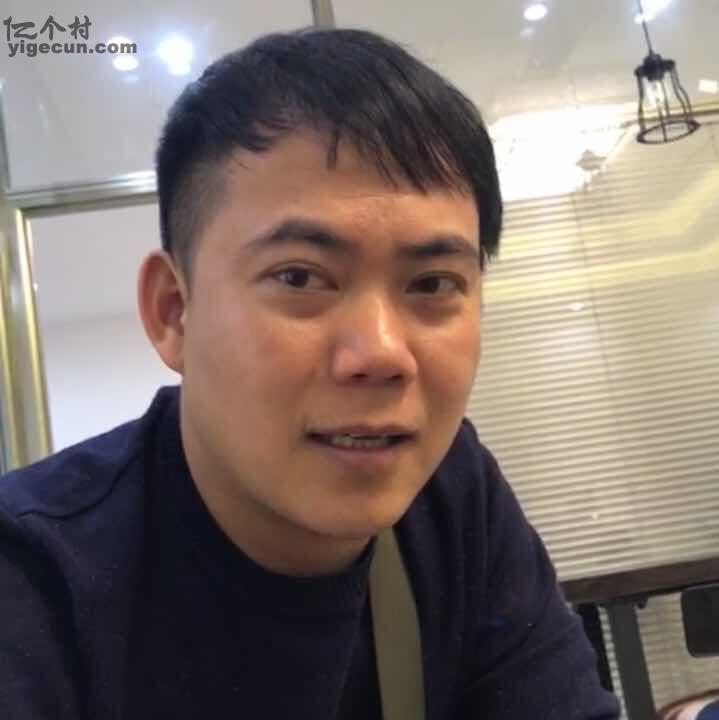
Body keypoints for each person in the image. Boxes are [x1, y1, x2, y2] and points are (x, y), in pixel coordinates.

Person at [0, 27, 621, 719]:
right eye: (299, 276)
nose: (381, 353)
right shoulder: (32, 580)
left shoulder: (451, 497)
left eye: (432, 284)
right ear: (174, 311)